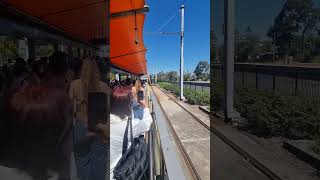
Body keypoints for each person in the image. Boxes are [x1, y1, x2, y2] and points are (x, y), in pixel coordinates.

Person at [69, 58, 109, 180]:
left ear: (82, 69)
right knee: (99, 161)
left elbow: (71, 110)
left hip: (81, 126)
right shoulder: (104, 86)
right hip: (99, 127)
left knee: (81, 160)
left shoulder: (74, 84)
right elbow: (108, 110)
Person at [110, 85, 153, 179]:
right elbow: (147, 123)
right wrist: (145, 107)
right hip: (119, 173)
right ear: (128, 105)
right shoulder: (130, 126)